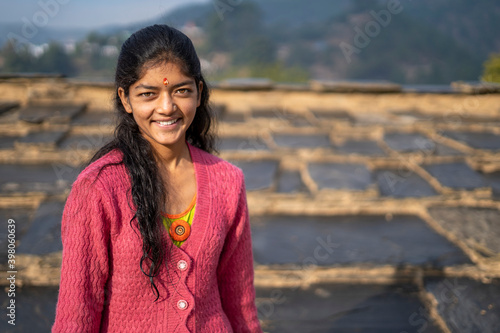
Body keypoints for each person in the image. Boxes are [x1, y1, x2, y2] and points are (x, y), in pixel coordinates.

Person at [52, 24, 262, 332]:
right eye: (148, 94)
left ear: (199, 93)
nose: (167, 107)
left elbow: (241, 305)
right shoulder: (98, 188)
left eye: (181, 91)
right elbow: (76, 316)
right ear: (125, 99)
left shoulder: (227, 181)